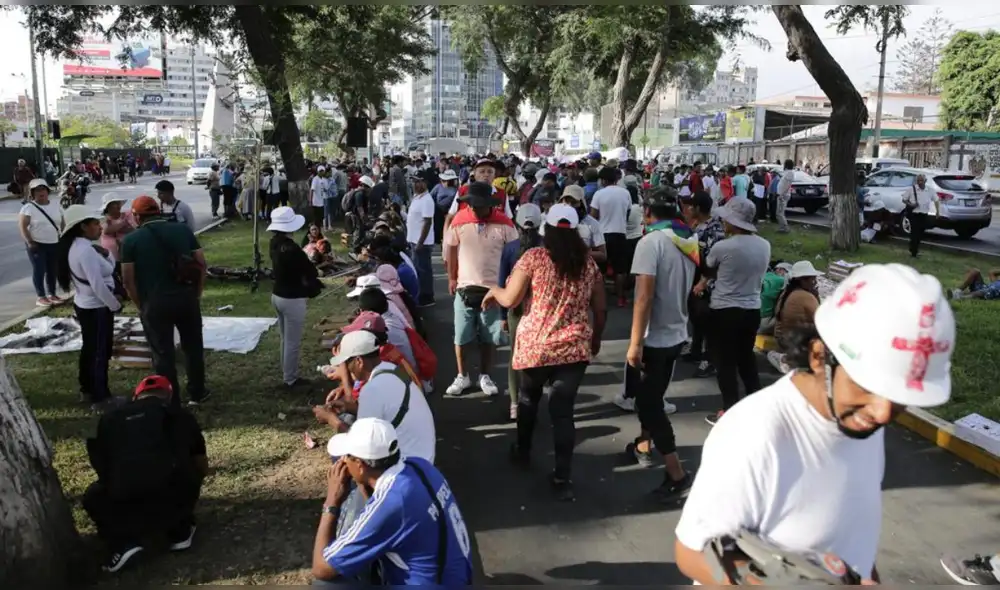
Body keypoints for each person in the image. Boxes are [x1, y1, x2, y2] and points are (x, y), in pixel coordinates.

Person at [674, 264, 956, 586]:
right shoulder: (755, 435)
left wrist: (864, 576)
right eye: (869, 386)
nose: (882, 413)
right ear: (820, 356)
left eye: (898, 396)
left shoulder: (860, 420)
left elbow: (851, 533)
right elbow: (692, 553)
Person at [484, 203, 606, 501]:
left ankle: (523, 451)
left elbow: (512, 300)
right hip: (573, 347)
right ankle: (562, 476)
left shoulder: (534, 258)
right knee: (563, 414)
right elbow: (600, 309)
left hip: (536, 347)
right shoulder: (589, 264)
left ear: (546, 230)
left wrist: (493, 292)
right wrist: (596, 339)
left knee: (528, 399)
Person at [312, 417, 472, 586]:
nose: (343, 460)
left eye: (347, 456)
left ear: (360, 464)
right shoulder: (420, 466)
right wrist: (362, 482)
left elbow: (321, 568)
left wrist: (331, 502)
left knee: (325, 584)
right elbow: (379, 511)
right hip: (456, 578)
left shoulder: (393, 503)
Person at [84, 375, 207, 573]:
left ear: (136, 396)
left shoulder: (109, 420)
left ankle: (123, 543)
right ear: (168, 396)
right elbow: (201, 464)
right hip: (172, 495)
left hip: (124, 500)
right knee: (189, 469)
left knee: (93, 495)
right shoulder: (180, 416)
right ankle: (179, 531)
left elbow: (103, 468)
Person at [621, 187, 698, 499]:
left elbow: (643, 297)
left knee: (649, 404)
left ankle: (676, 473)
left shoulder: (650, 242)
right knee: (654, 393)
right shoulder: (688, 240)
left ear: (648, 214)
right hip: (677, 332)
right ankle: (643, 444)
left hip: (654, 338)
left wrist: (635, 343)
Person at [121, 196, 209, 407]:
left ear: (136, 216)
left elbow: (127, 280)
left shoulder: (131, 241)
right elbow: (201, 265)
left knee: (162, 352)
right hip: (186, 298)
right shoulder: (182, 230)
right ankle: (198, 391)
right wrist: (196, 293)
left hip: (154, 303)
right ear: (158, 211)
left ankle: (171, 399)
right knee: (193, 347)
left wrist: (140, 305)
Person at [698, 198, 770, 426]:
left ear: (733, 221)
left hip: (724, 311)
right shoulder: (764, 245)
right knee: (746, 359)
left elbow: (708, 266)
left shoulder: (723, 247)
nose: (722, 222)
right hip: (751, 310)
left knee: (725, 363)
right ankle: (757, 406)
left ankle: (729, 410)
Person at [444, 182, 519, 397]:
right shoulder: (459, 220)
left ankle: (485, 375)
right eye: (472, 205)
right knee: (461, 336)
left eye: (479, 206)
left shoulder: (505, 224)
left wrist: (508, 286)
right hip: (464, 287)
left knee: (489, 338)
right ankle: (462, 376)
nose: (475, 209)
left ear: (490, 205)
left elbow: (513, 257)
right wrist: (451, 277)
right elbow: (451, 249)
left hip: (493, 290)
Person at [57, 205, 123, 410]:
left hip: (87, 305)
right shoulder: (84, 250)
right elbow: (97, 285)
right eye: (95, 224)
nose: (100, 227)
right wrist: (114, 305)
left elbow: (107, 268)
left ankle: (87, 389)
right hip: (97, 307)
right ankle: (101, 397)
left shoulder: (80, 246)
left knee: (90, 348)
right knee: (100, 352)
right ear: (83, 227)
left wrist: (105, 254)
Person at [269, 206, 323, 390]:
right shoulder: (292, 249)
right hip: (292, 298)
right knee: (292, 341)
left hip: (277, 294)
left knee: (285, 338)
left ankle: (287, 373)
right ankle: (290, 379)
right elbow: (310, 270)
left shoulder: (274, 243)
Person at [498, 203, 543, 421]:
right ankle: (534, 399)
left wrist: (501, 316)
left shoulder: (510, 249)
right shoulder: (547, 248)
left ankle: (515, 402)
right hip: (542, 310)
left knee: (515, 357)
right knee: (540, 358)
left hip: (515, 309)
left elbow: (501, 281)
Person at [19, 179, 65, 307]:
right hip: (37, 244)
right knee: (39, 270)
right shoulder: (28, 208)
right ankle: (41, 296)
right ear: (32, 193)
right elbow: (23, 226)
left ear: (47, 191)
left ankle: (52, 293)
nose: (41, 192)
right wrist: (29, 241)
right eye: (37, 190)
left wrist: (62, 236)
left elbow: (62, 222)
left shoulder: (56, 205)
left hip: (54, 242)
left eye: (43, 189)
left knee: (52, 270)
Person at [591, 166, 632, 307]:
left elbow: (593, 217)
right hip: (620, 233)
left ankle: (600, 299)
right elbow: (627, 213)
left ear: (602, 180)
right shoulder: (625, 193)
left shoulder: (599, 194)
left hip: (602, 236)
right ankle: (621, 298)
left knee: (599, 270)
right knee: (620, 269)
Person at [773, 261, 823, 348]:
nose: (814, 282)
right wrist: (816, 296)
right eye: (813, 279)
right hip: (792, 343)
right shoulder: (805, 296)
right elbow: (821, 318)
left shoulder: (787, 292)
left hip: (781, 337)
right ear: (802, 280)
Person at [406, 175, 435, 307]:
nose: (415, 184)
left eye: (418, 181)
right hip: (413, 239)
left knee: (423, 271)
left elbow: (427, 222)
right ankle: (421, 295)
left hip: (421, 242)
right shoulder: (417, 197)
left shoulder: (427, 200)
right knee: (418, 269)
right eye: (414, 182)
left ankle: (427, 297)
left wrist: (420, 242)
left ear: (425, 183)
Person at [904, 173, 939, 258]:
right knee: (914, 233)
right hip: (914, 214)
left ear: (925, 181)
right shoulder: (911, 189)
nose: (920, 182)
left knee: (920, 233)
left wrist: (938, 211)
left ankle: (914, 248)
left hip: (924, 214)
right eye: (918, 180)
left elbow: (936, 200)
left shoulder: (930, 190)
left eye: (921, 180)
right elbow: (904, 200)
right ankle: (914, 252)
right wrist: (911, 204)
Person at [758, 261, 793, 335]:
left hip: (752, 316)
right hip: (764, 323)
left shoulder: (765, 275)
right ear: (779, 269)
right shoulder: (781, 280)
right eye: (787, 272)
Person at [99, 194, 136, 262]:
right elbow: (107, 230)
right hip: (110, 256)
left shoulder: (127, 215)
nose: (118, 206)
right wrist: (123, 223)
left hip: (126, 254)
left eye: (118, 203)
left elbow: (135, 229)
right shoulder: (104, 219)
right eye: (114, 204)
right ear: (107, 207)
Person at [431, 170, 459, 244]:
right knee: (438, 228)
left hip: (450, 212)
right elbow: (431, 197)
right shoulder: (438, 187)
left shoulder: (456, 189)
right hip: (437, 211)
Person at [775, 159, 795, 233]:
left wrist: (781, 194)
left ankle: (785, 228)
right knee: (779, 212)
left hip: (783, 195)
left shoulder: (789, 173)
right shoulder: (787, 173)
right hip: (782, 194)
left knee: (780, 212)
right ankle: (782, 227)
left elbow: (787, 185)